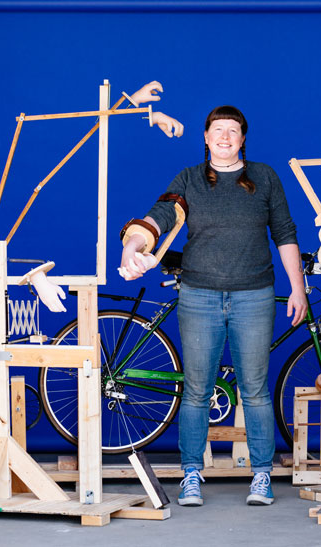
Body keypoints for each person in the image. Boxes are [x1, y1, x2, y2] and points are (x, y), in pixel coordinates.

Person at [120, 105, 307, 507]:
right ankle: (191, 474)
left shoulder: (265, 177)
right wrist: (130, 249)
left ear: (243, 138)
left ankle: (261, 476)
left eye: (233, 131)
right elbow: (156, 219)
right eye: (217, 130)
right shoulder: (188, 179)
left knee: (254, 391)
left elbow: (286, 234)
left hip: (254, 296)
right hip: (199, 296)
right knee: (197, 390)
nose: (225, 137)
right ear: (206, 137)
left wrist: (299, 288)